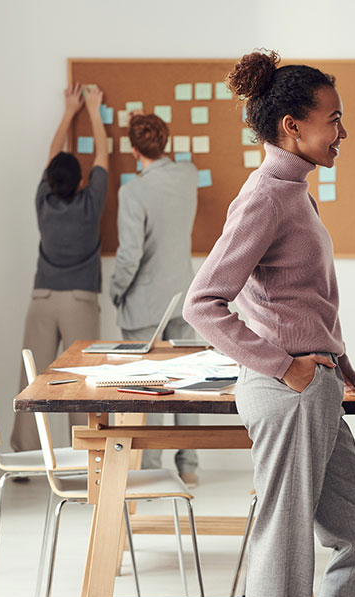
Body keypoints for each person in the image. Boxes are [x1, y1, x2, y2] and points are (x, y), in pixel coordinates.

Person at [183, 50, 355, 597]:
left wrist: (346, 373)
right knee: (285, 540)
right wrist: (283, 366)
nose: (343, 131)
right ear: (292, 126)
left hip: (316, 387)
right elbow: (202, 302)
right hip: (289, 391)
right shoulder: (265, 197)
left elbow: (310, 303)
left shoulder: (296, 192)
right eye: (334, 119)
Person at [10, 82, 108, 452]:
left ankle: (22, 450)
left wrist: (70, 110)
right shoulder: (90, 204)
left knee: (32, 376)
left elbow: (54, 155)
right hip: (80, 300)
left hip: (42, 298)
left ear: (50, 181)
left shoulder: (44, 201)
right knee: (83, 379)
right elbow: (103, 157)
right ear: (82, 182)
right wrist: (95, 112)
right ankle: (85, 452)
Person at [109, 112, 200, 486]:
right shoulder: (189, 176)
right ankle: (189, 466)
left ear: (132, 150)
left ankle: (151, 468)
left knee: (149, 387)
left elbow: (129, 255)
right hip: (184, 295)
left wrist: (116, 290)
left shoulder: (132, 192)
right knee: (188, 381)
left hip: (145, 303)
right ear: (165, 142)